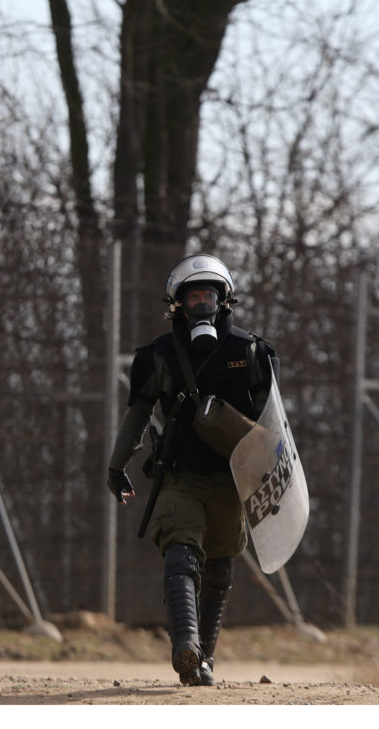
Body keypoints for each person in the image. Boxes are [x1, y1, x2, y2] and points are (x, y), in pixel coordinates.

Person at [107, 254, 278, 686]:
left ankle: (205, 660)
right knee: (180, 554)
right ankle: (187, 646)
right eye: (193, 296)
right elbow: (137, 415)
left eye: (209, 295)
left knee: (220, 567)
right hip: (179, 477)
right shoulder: (158, 357)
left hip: (230, 480)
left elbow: (275, 428)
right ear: (177, 305)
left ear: (224, 301)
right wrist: (116, 465)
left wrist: (275, 480)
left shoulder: (251, 352)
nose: (202, 304)